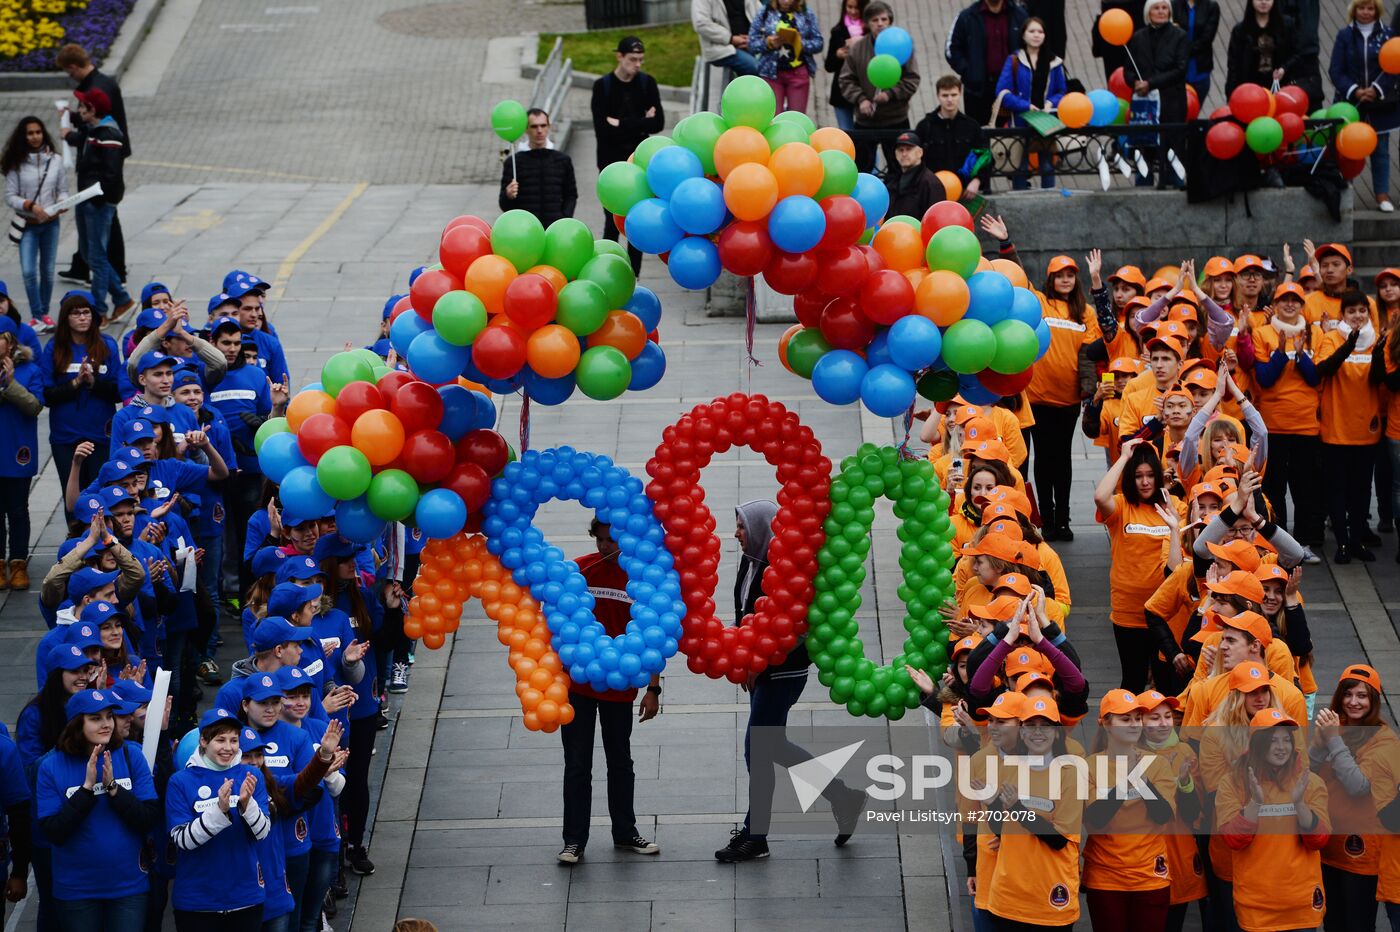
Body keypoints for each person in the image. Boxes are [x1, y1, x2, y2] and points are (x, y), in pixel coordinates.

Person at [716, 502, 865, 863]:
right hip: (761, 669)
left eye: (741, 527)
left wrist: (759, 659)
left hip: (784, 670)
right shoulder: (751, 560)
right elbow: (745, 615)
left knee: (758, 748)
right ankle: (843, 796)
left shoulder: (783, 568)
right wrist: (744, 656)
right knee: (774, 745)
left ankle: (757, 835)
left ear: (761, 528)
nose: (736, 533)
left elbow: (797, 625)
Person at [558, 518, 661, 864]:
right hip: (578, 686)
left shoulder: (641, 578)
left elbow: (653, 636)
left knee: (620, 762)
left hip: (620, 688)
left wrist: (653, 689)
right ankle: (574, 840)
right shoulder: (579, 571)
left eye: (611, 540)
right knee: (577, 764)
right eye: (600, 540)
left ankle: (625, 832)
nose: (605, 547)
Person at [36, 688, 159, 931]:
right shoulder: (50, 766)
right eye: (95, 718)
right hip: (76, 890)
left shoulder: (131, 754)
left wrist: (113, 789)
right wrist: (86, 789)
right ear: (75, 724)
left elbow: (149, 818)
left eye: (108, 716)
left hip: (128, 886)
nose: (106, 724)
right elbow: (53, 832)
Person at [1217, 709, 1331, 932]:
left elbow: (1319, 840)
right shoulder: (1232, 783)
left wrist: (1300, 806)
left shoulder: (1311, 783)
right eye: (1273, 740)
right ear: (1257, 744)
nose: (1282, 747)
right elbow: (1233, 840)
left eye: (1286, 740)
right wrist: (1255, 804)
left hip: (1301, 905)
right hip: (1256, 907)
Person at [1310, 664, 1400, 932]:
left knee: (1357, 924)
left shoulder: (1384, 740)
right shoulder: (1333, 728)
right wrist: (1318, 744)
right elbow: (1307, 774)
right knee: (1333, 923)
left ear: (1373, 700)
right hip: (1327, 847)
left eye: (1362, 696)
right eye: (1348, 695)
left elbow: (1358, 786)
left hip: (1361, 853)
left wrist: (1333, 741)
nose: (1353, 702)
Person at [166, 708, 271, 931]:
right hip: (197, 902)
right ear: (203, 741)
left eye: (234, 740)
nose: (228, 747)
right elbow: (182, 840)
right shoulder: (180, 781)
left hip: (246, 897)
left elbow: (262, 833)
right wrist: (219, 811)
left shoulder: (252, 776)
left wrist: (246, 805)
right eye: (220, 740)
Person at [1082, 691, 1178, 932]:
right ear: (1105, 724)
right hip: (1106, 877)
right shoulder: (1090, 766)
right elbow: (1095, 819)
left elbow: (1163, 816)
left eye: (1137, 718)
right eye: (1125, 719)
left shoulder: (1157, 764)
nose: (1134, 724)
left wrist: (1142, 781)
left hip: (1150, 876)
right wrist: (1126, 783)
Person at [1094, 438, 1181, 691]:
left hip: (1165, 614)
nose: (1144, 482)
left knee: (1166, 685)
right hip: (1128, 612)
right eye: (1139, 475)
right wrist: (1122, 457)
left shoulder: (1173, 509)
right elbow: (1100, 496)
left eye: (1150, 475)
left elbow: (1179, 564)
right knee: (1133, 680)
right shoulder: (1121, 506)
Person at [1029, 254, 1097, 540]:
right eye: (1059, 275)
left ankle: (1063, 519)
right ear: (1051, 279)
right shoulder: (1041, 304)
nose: (1065, 279)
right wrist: (1006, 242)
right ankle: (1046, 519)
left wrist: (1089, 393)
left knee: (1063, 460)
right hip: (1037, 398)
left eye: (1070, 274)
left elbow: (1089, 357)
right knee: (1043, 459)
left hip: (1068, 401)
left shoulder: (1086, 313)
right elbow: (1019, 277)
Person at [55, 42, 129, 289]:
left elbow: (92, 128)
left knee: (105, 222)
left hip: (101, 167)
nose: (70, 77)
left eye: (69, 72)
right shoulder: (103, 83)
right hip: (103, 161)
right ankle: (85, 264)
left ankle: (115, 274)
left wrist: (97, 193)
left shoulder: (96, 89)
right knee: (97, 228)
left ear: (74, 66)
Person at [591, 37, 663, 277]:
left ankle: (633, 276)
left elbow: (658, 123)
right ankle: (606, 273)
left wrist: (620, 123)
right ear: (619, 57)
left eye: (641, 59)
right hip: (612, 166)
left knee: (638, 224)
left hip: (639, 165)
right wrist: (642, 121)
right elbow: (602, 129)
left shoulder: (647, 84)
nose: (638, 64)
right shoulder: (603, 87)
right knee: (612, 222)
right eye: (633, 59)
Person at [41, 291, 121, 494]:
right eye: (76, 313)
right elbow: (47, 396)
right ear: (65, 317)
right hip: (66, 436)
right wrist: (76, 382)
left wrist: (93, 382)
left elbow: (118, 392)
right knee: (73, 499)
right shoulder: (54, 348)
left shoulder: (107, 345)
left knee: (100, 495)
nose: (83, 317)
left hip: (100, 435)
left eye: (87, 312)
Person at [64, 88, 133, 320]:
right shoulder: (94, 129)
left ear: (92, 110)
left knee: (97, 256)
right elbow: (83, 138)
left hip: (97, 203)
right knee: (88, 253)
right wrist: (68, 123)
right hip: (87, 198)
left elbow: (111, 173)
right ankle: (122, 299)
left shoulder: (109, 134)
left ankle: (99, 311)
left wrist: (97, 198)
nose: (79, 111)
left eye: (82, 107)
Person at [1330, 0, 1400, 211]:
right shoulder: (1344, 35)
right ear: (1354, 10)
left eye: (1370, 8)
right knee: (1349, 151)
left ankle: (1382, 195)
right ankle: (1347, 192)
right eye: (1361, 8)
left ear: (1376, 10)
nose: (1366, 13)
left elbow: (1393, 67)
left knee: (1380, 150)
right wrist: (1354, 90)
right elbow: (1335, 70)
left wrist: (1377, 89)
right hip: (1351, 104)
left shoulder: (1388, 35)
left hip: (1381, 104)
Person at [838, 1, 922, 172]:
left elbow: (912, 79)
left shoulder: (902, 45)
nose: (880, 23)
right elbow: (846, 80)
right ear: (867, 23)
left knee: (900, 169)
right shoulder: (858, 49)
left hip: (896, 119)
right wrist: (861, 99)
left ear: (890, 21)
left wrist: (890, 94)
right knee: (861, 168)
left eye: (884, 19)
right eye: (875, 20)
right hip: (864, 120)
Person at [2, 116, 67, 332]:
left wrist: (61, 204)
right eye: (30, 133)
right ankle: (36, 314)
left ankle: (43, 315)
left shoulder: (55, 160)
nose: (35, 137)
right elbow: (10, 196)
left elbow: (62, 189)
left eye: (38, 132)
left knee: (47, 271)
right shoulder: (16, 162)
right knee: (29, 271)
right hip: (28, 224)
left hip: (51, 223)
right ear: (23, 136)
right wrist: (30, 205)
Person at [992, 17, 1067, 189]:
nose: (1036, 35)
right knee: (1021, 165)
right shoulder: (1014, 60)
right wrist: (1025, 106)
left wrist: (1050, 103)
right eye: (1032, 31)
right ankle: (1020, 194)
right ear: (1023, 35)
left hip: (1046, 120)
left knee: (1047, 165)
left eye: (1040, 32)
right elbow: (1002, 92)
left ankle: (1049, 197)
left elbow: (1062, 91)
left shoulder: (1054, 62)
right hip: (1021, 120)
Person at [1126, 0, 1189, 187]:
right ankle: (1143, 183)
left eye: (1164, 8)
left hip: (1171, 101)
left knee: (1172, 146)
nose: (1161, 12)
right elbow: (1127, 69)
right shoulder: (1138, 37)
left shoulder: (1180, 36)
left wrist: (1151, 83)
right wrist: (1134, 82)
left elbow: (1181, 69)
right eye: (1156, 8)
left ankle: (1174, 181)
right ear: (1148, 12)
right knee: (1144, 148)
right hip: (1144, 105)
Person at [0, 316, 43, 591]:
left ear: (10, 341)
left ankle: (17, 562)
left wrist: (10, 384)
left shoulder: (30, 370)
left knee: (17, 510)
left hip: (17, 449)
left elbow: (34, 406)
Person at [946, 0, 1028, 126]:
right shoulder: (967, 17)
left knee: (1010, 137)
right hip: (978, 92)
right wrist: (970, 72)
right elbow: (952, 49)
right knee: (978, 137)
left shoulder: (1019, 15)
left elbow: (1031, 46)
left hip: (1011, 90)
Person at [497, 109, 577, 227]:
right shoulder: (513, 162)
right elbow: (504, 205)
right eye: (534, 126)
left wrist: (564, 218)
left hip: (555, 229)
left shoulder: (563, 160)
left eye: (543, 125)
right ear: (526, 129)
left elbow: (571, 195)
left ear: (549, 127)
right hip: (526, 230)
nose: (539, 131)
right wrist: (508, 195)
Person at [914, 75, 988, 199]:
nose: (949, 99)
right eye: (945, 95)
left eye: (953, 95)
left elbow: (985, 156)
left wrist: (977, 180)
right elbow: (915, 160)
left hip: (965, 193)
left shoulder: (971, 126)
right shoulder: (925, 126)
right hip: (932, 193)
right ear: (938, 96)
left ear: (960, 94)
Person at [748, 0, 824, 114]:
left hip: (798, 73)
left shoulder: (806, 13)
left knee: (796, 117)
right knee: (773, 117)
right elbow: (752, 43)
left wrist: (800, 43)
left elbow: (819, 43)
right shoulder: (765, 12)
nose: (786, 1)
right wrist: (769, 43)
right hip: (771, 74)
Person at [1226, 0, 1302, 96]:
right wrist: (1231, 95)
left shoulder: (1286, 25)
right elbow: (1233, 66)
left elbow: (1297, 54)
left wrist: (1284, 68)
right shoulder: (1241, 31)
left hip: (1279, 89)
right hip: (1250, 91)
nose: (1263, 2)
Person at [823, 0, 868, 129]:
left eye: (857, 8)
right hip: (841, 92)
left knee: (865, 139)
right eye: (850, 7)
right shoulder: (838, 31)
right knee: (846, 133)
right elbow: (829, 66)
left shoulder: (870, 32)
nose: (853, 11)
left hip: (865, 92)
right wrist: (837, 55)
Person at [692, 0, 763, 77]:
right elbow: (701, 24)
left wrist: (754, 38)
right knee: (756, 68)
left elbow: (762, 15)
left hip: (751, 43)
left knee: (772, 65)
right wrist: (730, 39)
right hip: (722, 48)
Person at [884, 131, 943, 216]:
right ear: (895, 154)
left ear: (920, 152)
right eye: (900, 150)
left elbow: (936, 218)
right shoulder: (892, 182)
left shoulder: (931, 183)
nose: (904, 154)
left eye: (908, 149)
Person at [1174, 0, 1220, 103]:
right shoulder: (1174, 4)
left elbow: (1206, 39)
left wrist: (1182, 50)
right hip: (1176, 69)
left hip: (1199, 69)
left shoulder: (1211, 6)